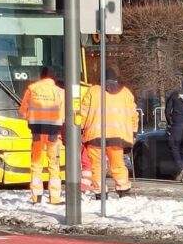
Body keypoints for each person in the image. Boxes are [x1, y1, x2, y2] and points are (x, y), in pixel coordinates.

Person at [78, 68, 139, 197]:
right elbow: (134, 114)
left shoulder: (93, 91)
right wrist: (134, 132)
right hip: (118, 135)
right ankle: (123, 190)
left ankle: (101, 193)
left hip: (95, 135)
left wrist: (80, 129)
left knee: (96, 166)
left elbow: (83, 113)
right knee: (118, 164)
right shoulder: (126, 93)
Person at [19, 67, 66, 205]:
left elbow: (22, 112)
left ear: (42, 76)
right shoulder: (60, 92)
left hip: (37, 132)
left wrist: (29, 118)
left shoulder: (32, 89)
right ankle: (55, 197)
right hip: (53, 133)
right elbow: (63, 114)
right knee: (54, 164)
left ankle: (36, 196)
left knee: (36, 163)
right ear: (53, 77)